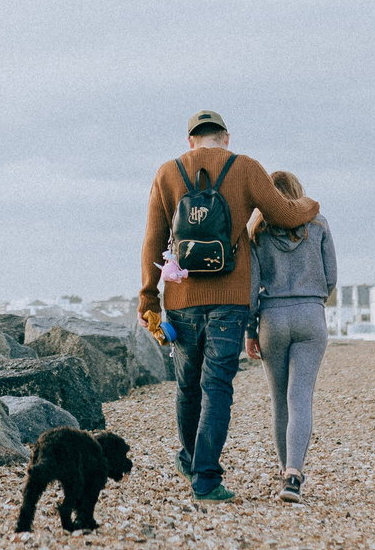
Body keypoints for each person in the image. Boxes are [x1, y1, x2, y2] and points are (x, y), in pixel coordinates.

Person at [139, 110, 319, 503]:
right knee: (216, 387)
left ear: (191, 141)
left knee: (188, 386)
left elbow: (153, 241)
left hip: (181, 300)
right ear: (226, 137)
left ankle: (191, 460)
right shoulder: (246, 167)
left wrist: (148, 297)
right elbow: (285, 215)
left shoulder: (167, 172)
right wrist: (312, 205)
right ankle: (205, 478)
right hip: (230, 300)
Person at [246, 171, 333, 503]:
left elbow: (252, 289)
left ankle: (286, 477)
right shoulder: (319, 223)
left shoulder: (257, 229)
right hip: (311, 315)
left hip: (273, 318)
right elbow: (331, 276)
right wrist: (312, 297)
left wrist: (251, 331)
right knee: (300, 398)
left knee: (279, 401)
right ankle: (294, 473)